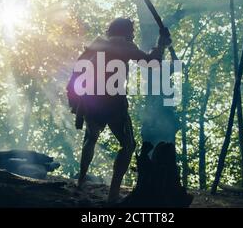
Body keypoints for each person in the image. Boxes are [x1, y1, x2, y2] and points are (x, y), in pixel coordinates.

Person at [68, 18, 171, 202]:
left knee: (91, 138)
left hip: (91, 100)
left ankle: (80, 183)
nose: (133, 34)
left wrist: (76, 99)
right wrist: (161, 44)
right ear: (126, 31)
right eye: (131, 30)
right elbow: (152, 63)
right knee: (128, 145)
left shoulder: (97, 43)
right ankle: (113, 194)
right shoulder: (124, 46)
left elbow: (77, 70)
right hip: (112, 103)